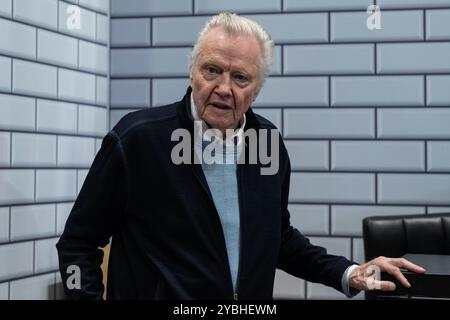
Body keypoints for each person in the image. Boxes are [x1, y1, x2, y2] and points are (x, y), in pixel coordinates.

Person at [56, 13, 425, 300]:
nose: (222, 88)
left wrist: (347, 272)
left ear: (257, 89)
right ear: (191, 72)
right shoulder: (136, 139)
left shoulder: (267, 142)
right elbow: (78, 244)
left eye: (240, 78)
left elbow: (277, 238)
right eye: (211, 70)